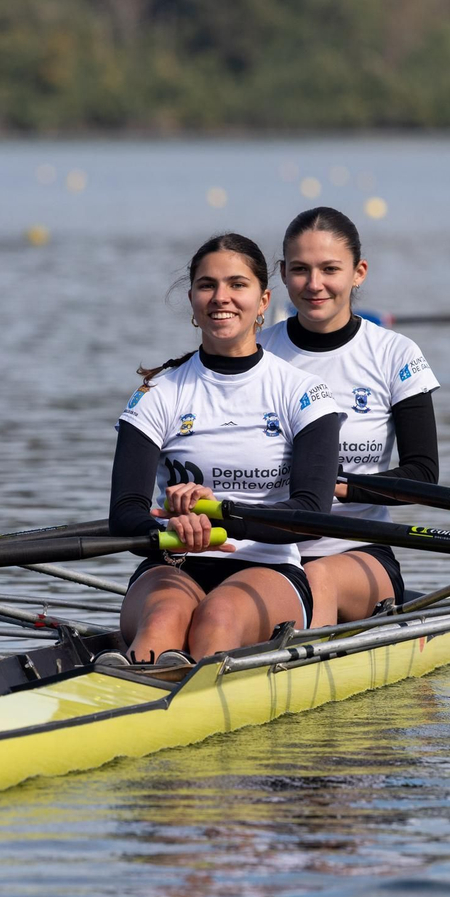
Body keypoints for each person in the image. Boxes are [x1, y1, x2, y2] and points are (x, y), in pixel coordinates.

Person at [107, 233, 341, 669]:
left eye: (237, 284)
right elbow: (125, 511)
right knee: (161, 623)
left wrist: (220, 513)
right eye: (207, 285)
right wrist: (174, 524)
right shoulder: (158, 393)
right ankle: (129, 704)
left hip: (269, 567)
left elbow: (313, 514)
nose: (221, 298)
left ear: (264, 299)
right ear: (193, 299)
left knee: (218, 618)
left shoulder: (304, 394)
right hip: (174, 561)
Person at [260, 207, 441, 627]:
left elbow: (423, 475)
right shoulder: (257, 353)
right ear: (284, 274)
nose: (314, 284)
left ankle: (303, 671)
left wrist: (340, 488)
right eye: (301, 270)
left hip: (356, 550)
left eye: (330, 269)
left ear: (358, 272)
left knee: (317, 575)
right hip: (266, 546)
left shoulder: (395, 354)